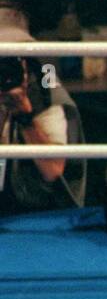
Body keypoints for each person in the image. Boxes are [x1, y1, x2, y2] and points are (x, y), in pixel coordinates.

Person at [0, 28, 87, 218]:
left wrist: (25, 117)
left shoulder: (46, 93)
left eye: (9, 61)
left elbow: (53, 172)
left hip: (31, 207)